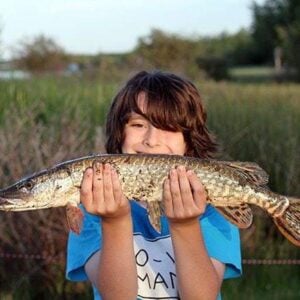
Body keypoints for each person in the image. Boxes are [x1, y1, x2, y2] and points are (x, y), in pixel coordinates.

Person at [66, 70, 242, 299]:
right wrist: (114, 221)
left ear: (189, 140)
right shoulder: (91, 208)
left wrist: (185, 225)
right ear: (119, 132)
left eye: (168, 127)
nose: (151, 140)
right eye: (138, 125)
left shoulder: (214, 207)